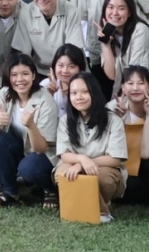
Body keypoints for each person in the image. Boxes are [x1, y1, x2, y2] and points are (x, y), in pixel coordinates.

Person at [0, 52, 56, 208]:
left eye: (25, 74)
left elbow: (42, 147)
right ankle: (10, 191)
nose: (19, 80)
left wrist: (31, 125)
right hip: (20, 150)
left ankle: (50, 189)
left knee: (29, 167)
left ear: (33, 75)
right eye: (14, 75)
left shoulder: (44, 99)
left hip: (43, 155)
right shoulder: (4, 94)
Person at [55, 72, 128, 222]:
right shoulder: (65, 121)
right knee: (63, 174)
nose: (79, 97)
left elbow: (115, 159)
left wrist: (83, 166)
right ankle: (101, 212)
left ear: (94, 93)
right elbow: (64, 154)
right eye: (74, 93)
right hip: (74, 164)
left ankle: (93, 207)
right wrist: (82, 160)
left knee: (102, 179)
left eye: (85, 92)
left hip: (103, 168)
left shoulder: (113, 120)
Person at [114, 64, 149, 206]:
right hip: (121, 166)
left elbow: (146, 153)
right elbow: (111, 150)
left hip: (146, 167)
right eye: (130, 83)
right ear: (123, 88)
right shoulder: (112, 109)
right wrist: (120, 119)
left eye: (141, 83)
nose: (135, 88)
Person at [18, 0, 82, 72]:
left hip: (67, 70)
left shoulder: (71, 11)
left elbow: (73, 51)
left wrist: (60, 76)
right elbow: (24, 52)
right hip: (37, 70)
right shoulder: (25, 13)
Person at [97, 0, 149, 89]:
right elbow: (112, 75)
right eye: (110, 7)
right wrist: (106, 44)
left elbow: (136, 75)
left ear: (130, 13)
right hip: (125, 88)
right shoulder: (111, 33)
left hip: (142, 89)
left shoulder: (141, 31)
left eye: (121, 8)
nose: (115, 13)